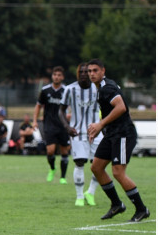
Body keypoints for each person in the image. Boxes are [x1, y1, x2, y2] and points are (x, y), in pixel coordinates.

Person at [86, 59, 150, 222]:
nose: (91, 74)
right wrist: (99, 128)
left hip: (123, 134)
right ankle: (117, 204)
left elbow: (121, 107)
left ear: (103, 71)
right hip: (112, 134)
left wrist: (100, 124)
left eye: (95, 70)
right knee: (96, 167)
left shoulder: (107, 87)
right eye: (89, 71)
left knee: (118, 172)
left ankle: (142, 209)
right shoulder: (101, 88)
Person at [59, 63, 102, 207]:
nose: (84, 74)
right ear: (78, 73)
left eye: (87, 72)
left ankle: (90, 193)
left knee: (98, 165)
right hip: (77, 132)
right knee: (80, 162)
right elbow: (61, 110)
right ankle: (79, 197)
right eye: (81, 72)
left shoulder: (98, 89)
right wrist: (67, 127)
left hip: (96, 132)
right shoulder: (70, 89)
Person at [33, 67, 70, 183]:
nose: (57, 77)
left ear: (62, 77)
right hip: (49, 124)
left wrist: (71, 114)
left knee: (64, 152)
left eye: (59, 75)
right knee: (50, 151)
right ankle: (52, 169)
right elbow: (38, 106)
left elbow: (71, 106)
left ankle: (63, 177)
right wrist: (34, 121)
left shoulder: (67, 90)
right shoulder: (45, 90)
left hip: (63, 125)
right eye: (55, 75)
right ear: (52, 76)